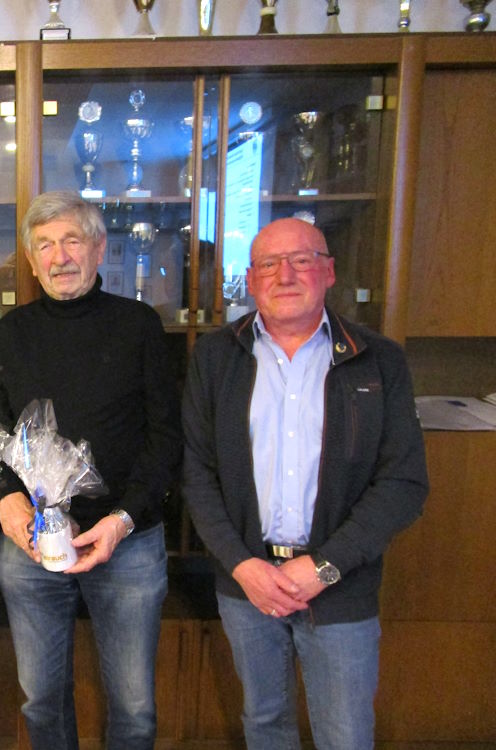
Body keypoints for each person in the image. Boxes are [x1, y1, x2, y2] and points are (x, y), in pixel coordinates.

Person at [181, 217, 428, 750]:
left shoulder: (378, 359)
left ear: (329, 272)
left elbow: (403, 483)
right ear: (251, 280)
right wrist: (242, 565)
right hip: (247, 585)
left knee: (345, 734)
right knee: (265, 723)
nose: (285, 275)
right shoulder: (216, 357)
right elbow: (197, 474)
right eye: (269, 264)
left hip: (340, 586)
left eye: (302, 260)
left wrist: (324, 567)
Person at [0, 191, 182, 750]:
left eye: (72, 240)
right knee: (40, 699)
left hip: (128, 541)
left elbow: (166, 437)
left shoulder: (139, 325)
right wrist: (5, 495)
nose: (60, 257)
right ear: (31, 261)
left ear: (99, 248)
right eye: (45, 245)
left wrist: (122, 519)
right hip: (32, 544)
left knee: (135, 707)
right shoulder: (12, 331)